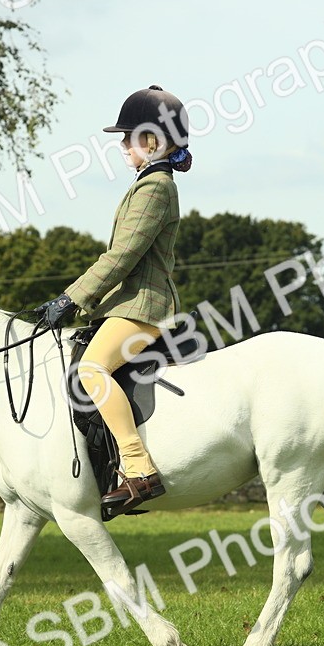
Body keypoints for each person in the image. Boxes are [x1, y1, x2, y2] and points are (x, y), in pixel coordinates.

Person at [34, 85, 191, 518]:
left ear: (154, 141)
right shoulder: (148, 183)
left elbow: (121, 257)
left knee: (91, 368)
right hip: (126, 304)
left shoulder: (155, 188)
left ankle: (139, 469)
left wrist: (71, 298)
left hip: (144, 307)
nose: (122, 145)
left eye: (129, 137)